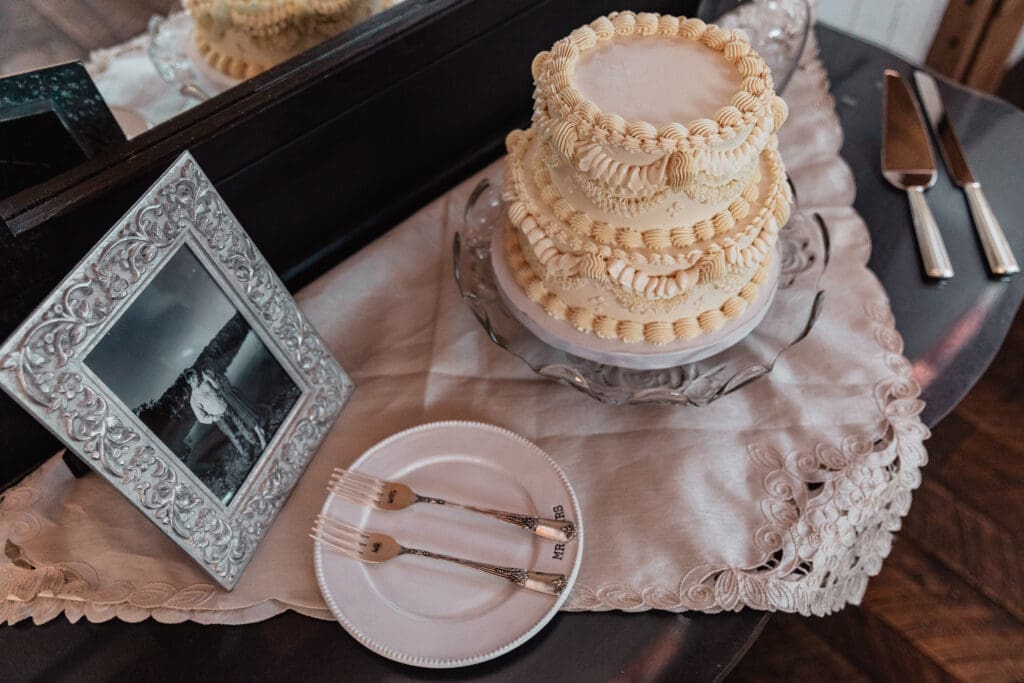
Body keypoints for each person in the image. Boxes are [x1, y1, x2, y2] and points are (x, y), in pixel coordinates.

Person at [186, 368, 267, 459]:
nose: (198, 378)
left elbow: (217, 387)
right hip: (218, 418)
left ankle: (255, 443)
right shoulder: (193, 400)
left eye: (197, 375)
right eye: (196, 377)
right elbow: (201, 417)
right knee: (232, 435)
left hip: (226, 407)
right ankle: (246, 455)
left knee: (241, 425)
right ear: (190, 380)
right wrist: (214, 418)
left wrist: (208, 378)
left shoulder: (204, 383)